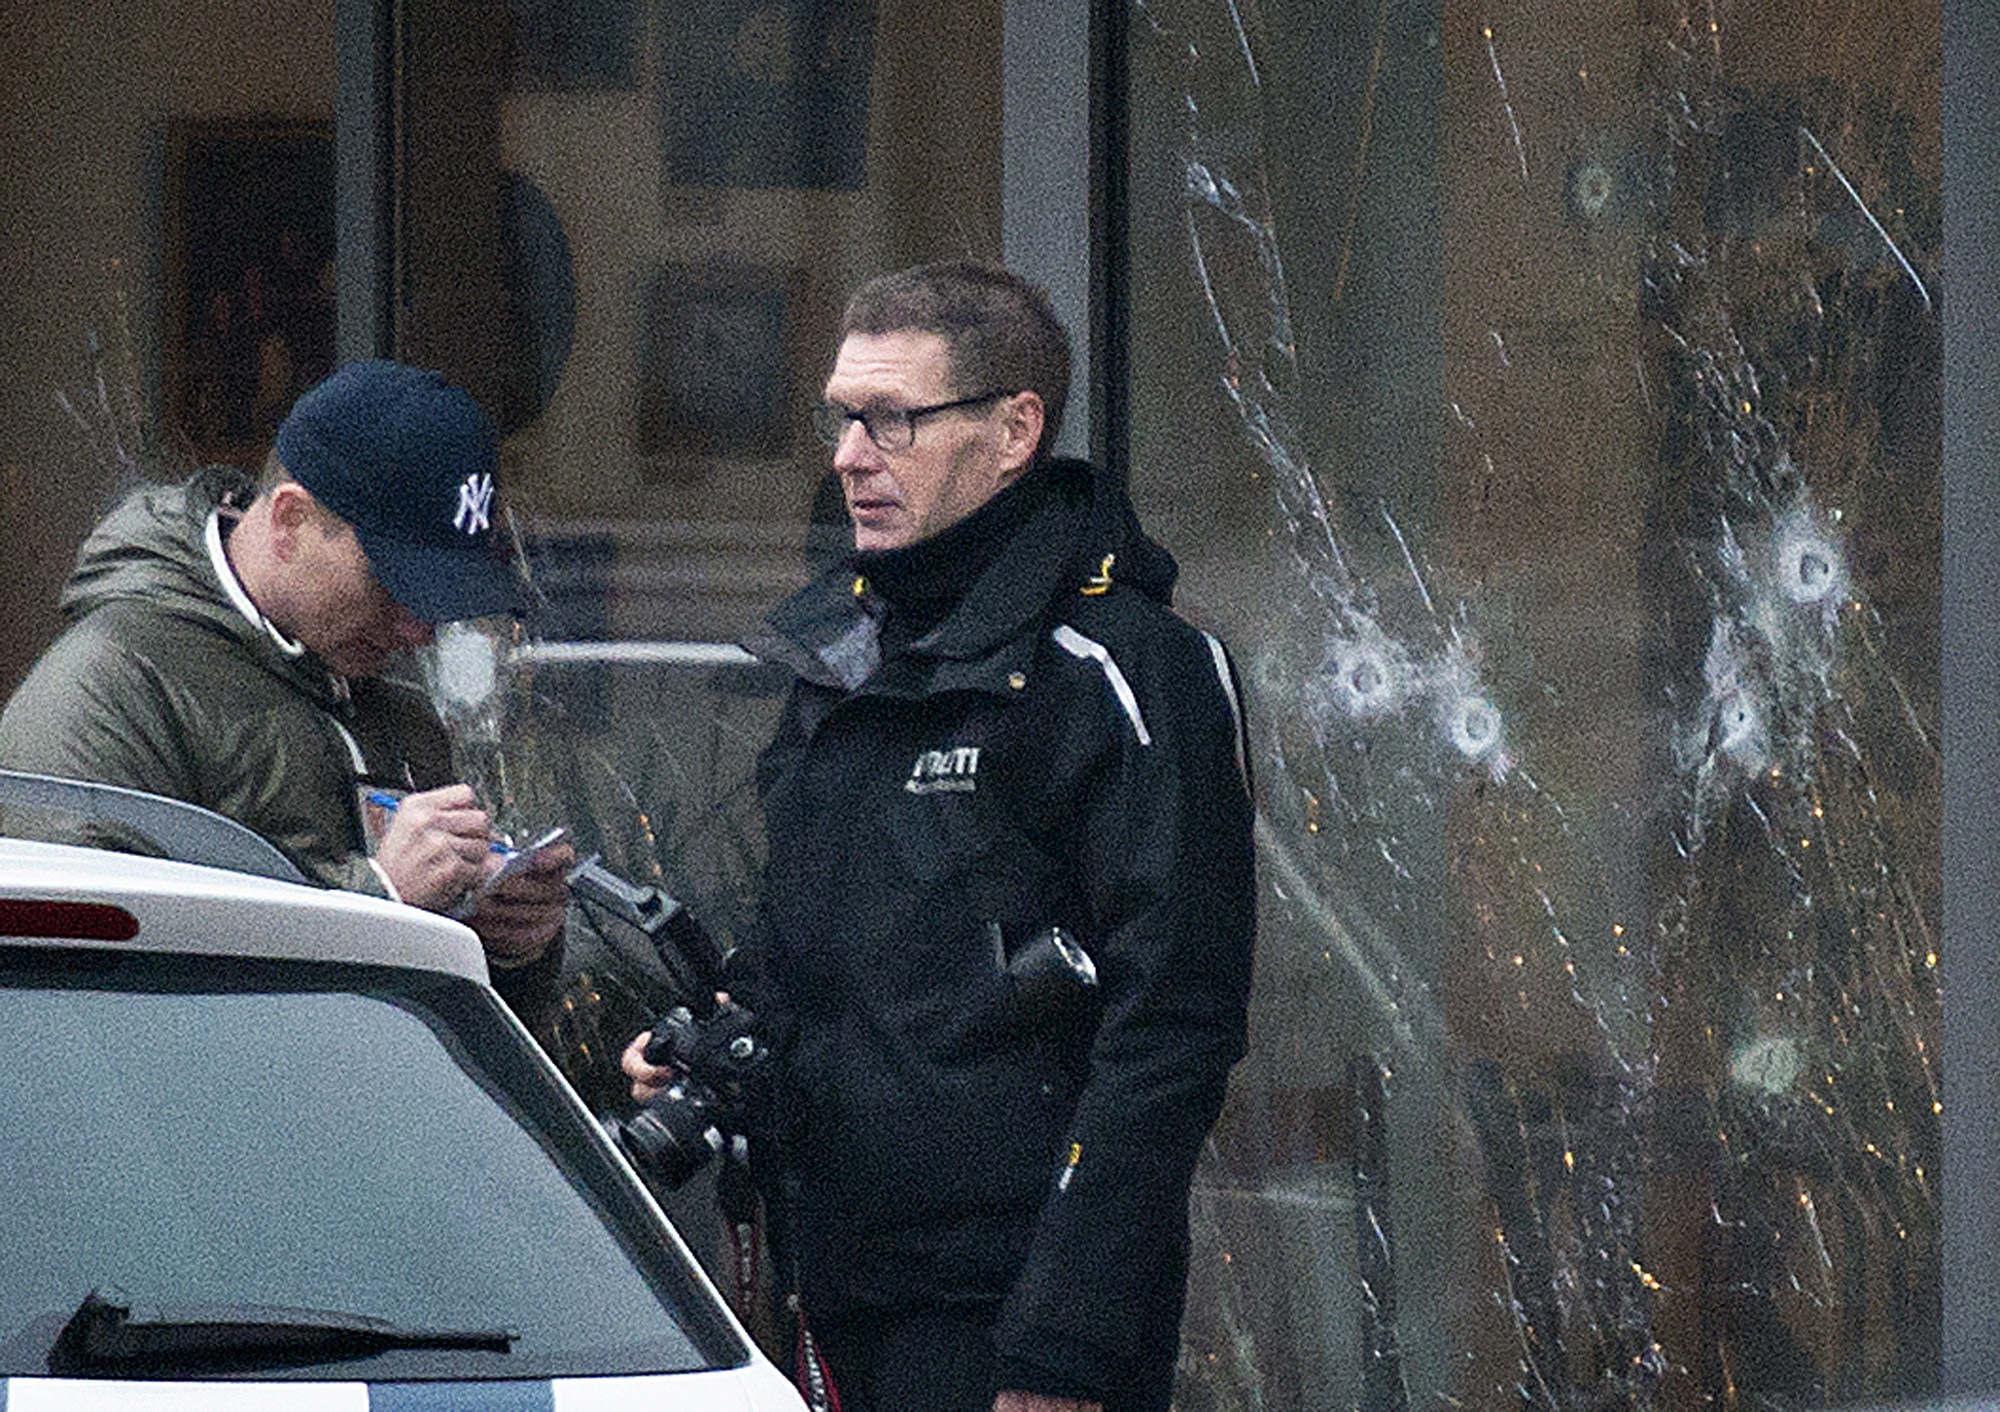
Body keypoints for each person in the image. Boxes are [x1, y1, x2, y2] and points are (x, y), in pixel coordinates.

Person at [623, 259, 1257, 1412]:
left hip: (1014, 1317)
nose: (849, 454)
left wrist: (1066, 1339)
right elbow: (810, 952)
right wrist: (717, 1037)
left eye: (892, 419)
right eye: (840, 416)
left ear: (1014, 429)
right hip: (831, 1289)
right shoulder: (844, 656)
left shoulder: (1125, 666)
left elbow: (1172, 1027)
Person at [0, 359, 571, 1010]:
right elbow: (65, 1007)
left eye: (439, 598)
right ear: (290, 520)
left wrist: (502, 945)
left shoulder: (394, 712)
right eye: (394, 584)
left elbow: (446, 1035)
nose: (420, 631)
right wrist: (378, 901)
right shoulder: (109, 688)